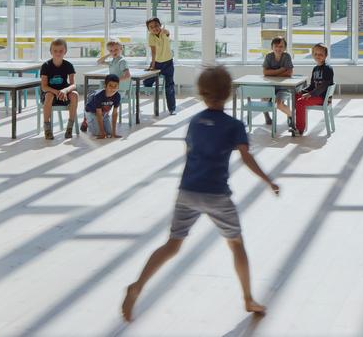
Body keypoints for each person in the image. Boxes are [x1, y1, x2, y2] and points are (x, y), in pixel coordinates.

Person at [121, 66, 280, 322]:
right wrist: (268, 180)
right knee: (236, 244)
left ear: (202, 93)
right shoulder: (234, 125)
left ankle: (138, 284)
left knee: (172, 245)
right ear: (228, 93)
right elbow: (247, 158)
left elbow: (189, 154)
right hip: (217, 194)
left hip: (187, 191)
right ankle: (249, 299)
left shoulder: (195, 122)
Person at [277, 42, 333, 136]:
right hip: (317, 95)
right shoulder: (315, 69)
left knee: (300, 102)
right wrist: (302, 91)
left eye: (321, 54)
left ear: (325, 56)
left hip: (323, 98)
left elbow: (323, 86)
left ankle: (300, 129)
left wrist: (310, 94)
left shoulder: (327, 69)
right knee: (296, 95)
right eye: (315, 54)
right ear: (312, 55)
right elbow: (312, 86)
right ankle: (297, 119)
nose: (318, 56)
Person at [40, 38, 78, 140]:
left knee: (74, 94)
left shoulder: (68, 65)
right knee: (49, 95)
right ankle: (47, 129)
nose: (58, 53)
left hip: (64, 94)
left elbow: (73, 84)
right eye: (55, 51)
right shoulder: (46, 66)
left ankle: (70, 127)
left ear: (65, 51)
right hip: (50, 94)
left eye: (61, 51)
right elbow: (44, 86)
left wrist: (65, 90)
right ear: (51, 52)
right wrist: (57, 92)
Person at [147, 17, 177, 115]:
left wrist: (166, 31)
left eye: (156, 26)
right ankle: (147, 88)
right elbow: (153, 51)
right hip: (158, 63)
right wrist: (152, 64)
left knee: (169, 86)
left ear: (160, 25)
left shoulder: (164, 32)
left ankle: (172, 109)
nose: (154, 28)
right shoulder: (151, 36)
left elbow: (167, 33)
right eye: (151, 27)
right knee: (147, 81)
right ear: (149, 29)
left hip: (168, 63)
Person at [260, 37, 294, 124]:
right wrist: (281, 70)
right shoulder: (269, 56)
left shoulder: (286, 56)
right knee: (264, 99)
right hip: (270, 85)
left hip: (283, 87)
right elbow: (265, 72)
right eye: (276, 46)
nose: (278, 48)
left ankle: (291, 116)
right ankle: (267, 116)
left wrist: (272, 73)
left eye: (281, 46)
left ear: (285, 48)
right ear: (272, 47)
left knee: (279, 104)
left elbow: (289, 73)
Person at [81, 74, 123, 138]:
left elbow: (114, 114)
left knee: (109, 132)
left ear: (118, 87)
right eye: (110, 85)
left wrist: (114, 132)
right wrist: (102, 132)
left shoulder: (117, 96)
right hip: (92, 112)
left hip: (104, 114)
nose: (113, 88)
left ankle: (102, 124)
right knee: (98, 133)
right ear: (105, 86)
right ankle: (86, 121)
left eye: (115, 86)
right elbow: (98, 113)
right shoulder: (99, 96)